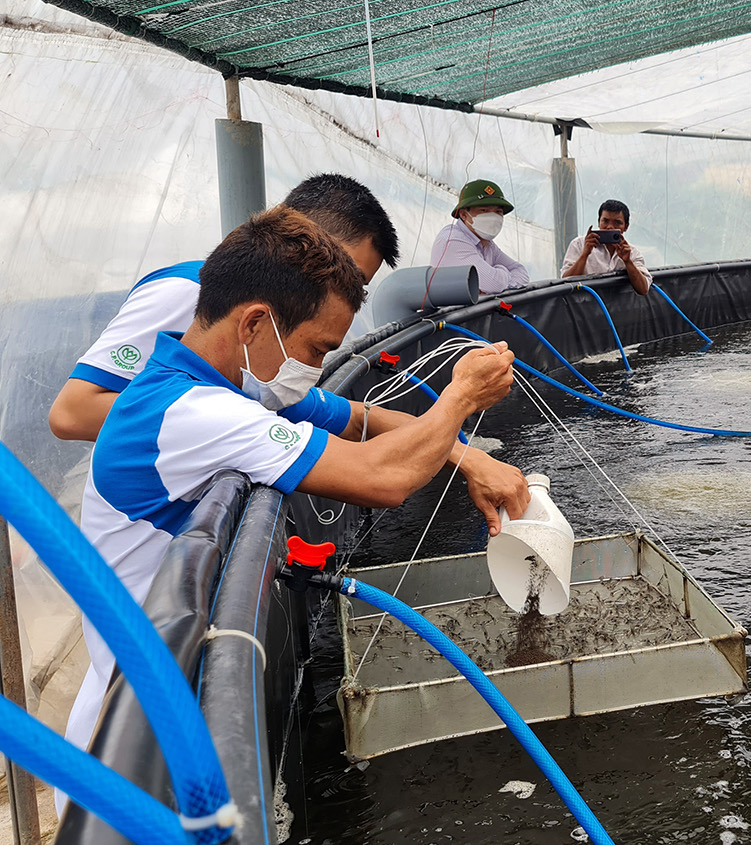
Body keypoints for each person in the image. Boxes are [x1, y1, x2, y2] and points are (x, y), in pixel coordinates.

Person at [60, 207, 523, 805]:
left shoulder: (224, 383)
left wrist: (470, 459)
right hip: (137, 744)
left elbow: (358, 423)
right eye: (314, 349)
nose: (314, 370)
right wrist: (460, 396)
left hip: (159, 697)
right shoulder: (194, 412)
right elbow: (382, 477)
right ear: (256, 322)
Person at [48, 174, 400, 443]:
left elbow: (343, 416)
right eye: (341, 269)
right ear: (302, 239)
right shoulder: (186, 292)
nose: (347, 292)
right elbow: (72, 412)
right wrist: (233, 425)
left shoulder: (268, 351)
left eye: (360, 287)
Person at [430, 179, 530, 297]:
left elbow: (522, 273)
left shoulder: (487, 243)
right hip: (450, 314)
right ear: (463, 215)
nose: (493, 217)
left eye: (498, 211)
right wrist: (503, 272)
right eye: (484, 210)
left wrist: (497, 279)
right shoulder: (453, 240)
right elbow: (494, 284)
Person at [560, 199, 652, 295]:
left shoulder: (631, 253)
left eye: (617, 222)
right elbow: (566, 282)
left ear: (626, 227)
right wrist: (585, 254)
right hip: (584, 308)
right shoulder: (579, 244)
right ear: (599, 222)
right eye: (605, 221)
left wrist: (628, 262)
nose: (610, 227)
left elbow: (643, 289)